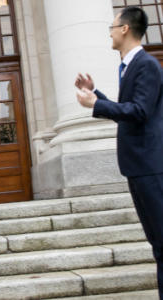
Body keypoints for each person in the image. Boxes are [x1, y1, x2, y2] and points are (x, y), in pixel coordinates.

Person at [75, 6, 163, 298]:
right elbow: (129, 110)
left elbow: (140, 111)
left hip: (150, 165)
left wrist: (95, 106)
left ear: (125, 29)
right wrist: (96, 94)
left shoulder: (147, 65)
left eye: (112, 27)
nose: (110, 33)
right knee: (158, 244)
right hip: (137, 165)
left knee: (162, 244)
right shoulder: (127, 66)